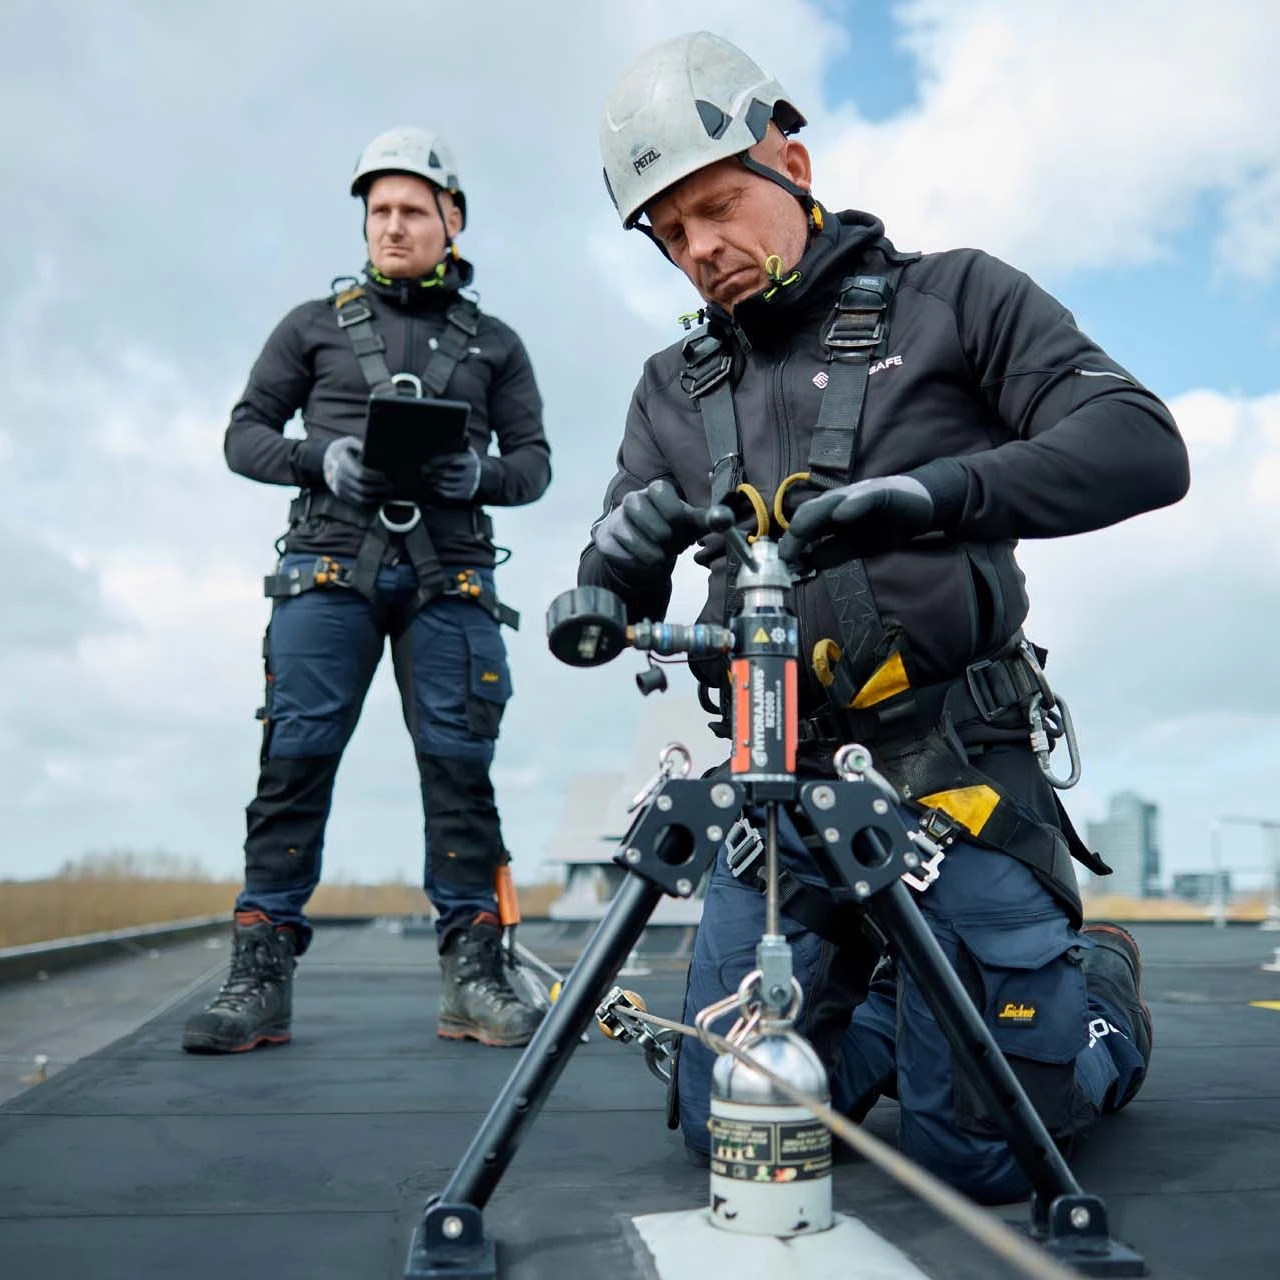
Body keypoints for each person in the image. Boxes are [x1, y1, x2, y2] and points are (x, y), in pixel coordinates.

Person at [581, 32, 1186, 1203]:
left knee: (984, 1155)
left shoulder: (956, 296)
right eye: (670, 236)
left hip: (948, 776)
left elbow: (1141, 446)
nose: (700, 249)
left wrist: (937, 494)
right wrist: (615, 559)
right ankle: (887, 992)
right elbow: (611, 596)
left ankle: (1093, 982)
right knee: (729, 1130)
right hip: (777, 801)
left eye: (714, 206)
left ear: (790, 163)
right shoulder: (669, 389)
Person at [183, 127, 551, 1055]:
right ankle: (258, 977)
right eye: (378, 210)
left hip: (452, 576)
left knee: (460, 770)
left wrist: (485, 477)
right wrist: (318, 459)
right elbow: (243, 435)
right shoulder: (309, 326)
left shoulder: (498, 343)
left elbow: (536, 463)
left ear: (451, 220)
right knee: (294, 762)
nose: (391, 225)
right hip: (327, 568)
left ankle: (475, 974)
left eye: (411, 210)